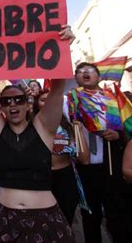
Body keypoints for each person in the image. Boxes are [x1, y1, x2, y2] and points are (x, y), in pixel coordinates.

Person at [0, 27, 76, 242]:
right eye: (6, 101)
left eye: (18, 99)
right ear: (1, 108)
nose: (13, 104)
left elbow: (57, 89)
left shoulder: (43, 127)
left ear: (27, 104)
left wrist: (63, 49)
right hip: (5, 220)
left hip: (46, 220)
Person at [68, 62, 132, 243]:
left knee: (117, 211)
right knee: (90, 216)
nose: (85, 73)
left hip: (112, 162)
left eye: (89, 70)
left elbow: (128, 129)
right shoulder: (72, 100)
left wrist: (117, 135)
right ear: (76, 78)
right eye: (80, 71)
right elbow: (64, 126)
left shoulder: (112, 99)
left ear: (98, 75)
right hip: (86, 166)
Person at [34, 90, 90, 224]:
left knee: (65, 222)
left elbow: (85, 160)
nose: (48, 102)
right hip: (40, 179)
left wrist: (79, 132)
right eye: (43, 100)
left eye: (51, 98)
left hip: (66, 179)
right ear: (36, 105)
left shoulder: (70, 127)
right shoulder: (30, 126)